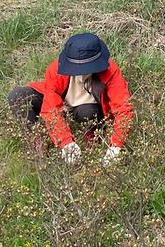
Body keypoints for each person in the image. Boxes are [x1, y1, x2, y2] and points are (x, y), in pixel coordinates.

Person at [7, 33, 133, 166]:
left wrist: (115, 146)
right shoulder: (55, 70)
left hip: (87, 109)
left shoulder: (111, 71)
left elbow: (123, 107)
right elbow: (51, 110)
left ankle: (91, 141)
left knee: (88, 112)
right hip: (63, 103)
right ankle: (39, 145)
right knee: (17, 96)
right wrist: (66, 143)